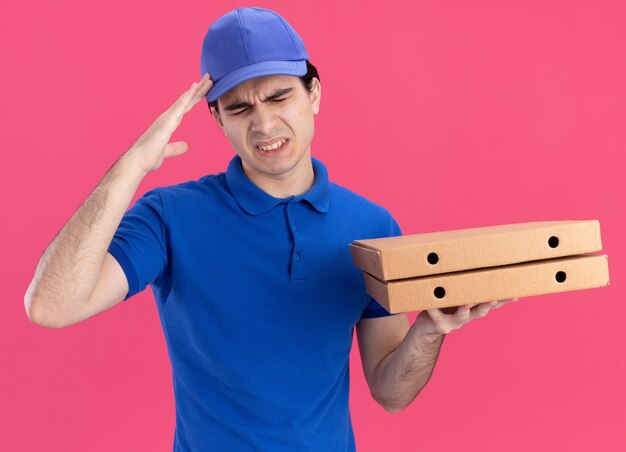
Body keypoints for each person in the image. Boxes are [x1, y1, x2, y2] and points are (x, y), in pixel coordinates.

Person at [24, 7, 516, 451]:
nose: (263, 124)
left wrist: (430, 330)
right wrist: (129, 168)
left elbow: (390, 392)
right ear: (216, 118)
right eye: (239, 108)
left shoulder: (372, 226)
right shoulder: (169, 216)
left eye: (279, 96)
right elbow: (50, 306)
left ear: (314, 94)